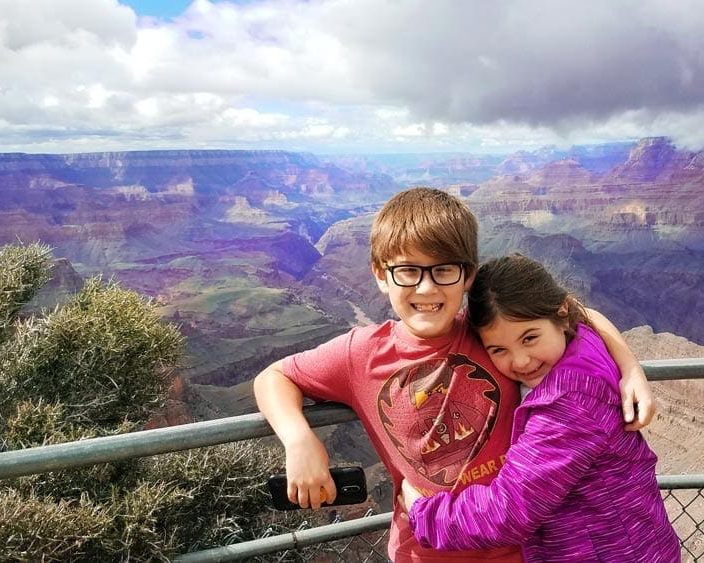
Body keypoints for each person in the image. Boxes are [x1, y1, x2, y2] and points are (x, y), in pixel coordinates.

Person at [254, 187, 656, 562]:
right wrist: (299, 439)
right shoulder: (357, 353)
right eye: (408, 271)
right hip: (423, 552)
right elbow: (274, 376)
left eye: (443, 270)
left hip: (520, 551)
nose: (427, 289)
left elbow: (569, 312)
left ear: (467, 275)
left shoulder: (491, 333)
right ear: (379, 274)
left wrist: (630, 367)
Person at [400, 253, 680, 562]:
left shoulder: (567, 404)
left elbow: (508, 511)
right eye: (498, 350)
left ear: (560, 314)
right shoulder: (580, 341)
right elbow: (584, 313)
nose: (520, 361)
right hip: (641, 544)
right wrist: (629, 364)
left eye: (530, 338)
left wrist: (423, 513)